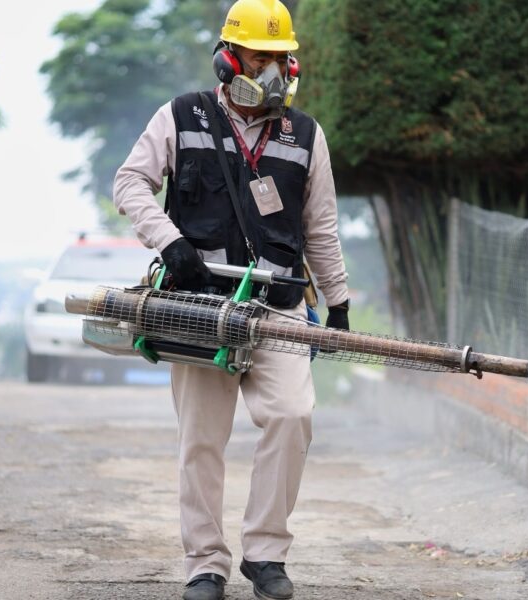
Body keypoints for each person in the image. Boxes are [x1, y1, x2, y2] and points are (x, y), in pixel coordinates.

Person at [112, 1, 350, 598]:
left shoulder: (306, 136)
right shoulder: (180, 116)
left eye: (279, 58)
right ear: (228, 59)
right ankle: (205, 563)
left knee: (292, 416)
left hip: (279, 306)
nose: (270, 69)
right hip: (200, 306)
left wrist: (339, 303)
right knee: (201, 439)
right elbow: (130, 182)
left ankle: (266, 555)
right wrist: (169, 242)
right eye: (258, 56)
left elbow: (321, 228)